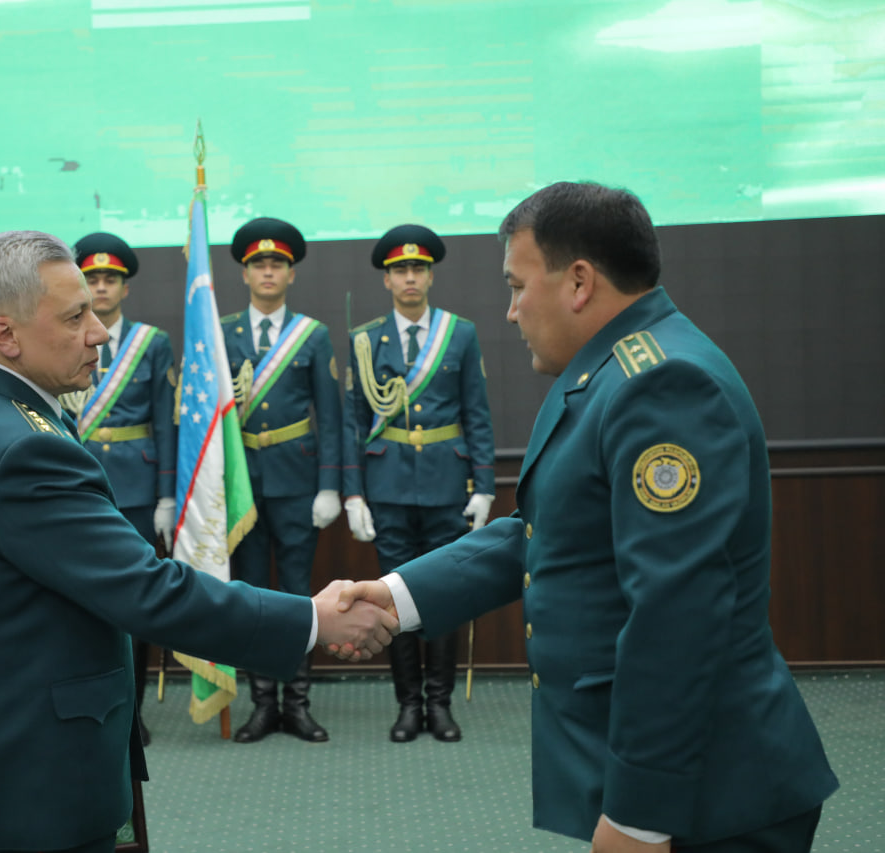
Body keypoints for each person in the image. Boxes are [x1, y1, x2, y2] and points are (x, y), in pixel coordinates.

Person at [335, 182, 838, 852]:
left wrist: (638, 814)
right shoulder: (607, 374)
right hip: (678, 776)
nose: (511, 311)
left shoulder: (661, 385)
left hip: (711, 794)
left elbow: (677, 613)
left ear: (578, 282)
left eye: (518, 286)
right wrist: (399, 597)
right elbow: (542, 532)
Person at [0, 230, 398, 853]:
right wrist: (312, 620)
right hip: (33, 781)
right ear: (6, 335)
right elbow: (149, 592)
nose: (99, 333)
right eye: (75, 317)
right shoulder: (25, 447)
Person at [341, 224, 496, 743]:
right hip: (386, 486)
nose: (410, 277)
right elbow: (353, 422)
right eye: (400, 270)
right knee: (393, 597)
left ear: (430, 277)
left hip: (447, 484)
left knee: (444, 595)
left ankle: (440, 704)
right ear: (386, 280)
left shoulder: (460, 333)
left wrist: (484, 486)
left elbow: (477, 413)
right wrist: (354, 493)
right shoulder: (366, 340)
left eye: (418, 269)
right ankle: (408, 704)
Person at [220, 217, 343, 743]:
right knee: (250, 596)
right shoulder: (221, 333)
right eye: (258, 264)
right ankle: (262, 704)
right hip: (242, 484)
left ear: (291, 274)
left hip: (297, 481)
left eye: (277, 264)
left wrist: (330, 485)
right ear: (245, 274)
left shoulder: (312, 335)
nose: (267, 272)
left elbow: (331, 416)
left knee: (296, 596)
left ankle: (297, 704)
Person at [66, 231, 176, 746]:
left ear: (125, 287)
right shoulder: (61, 338)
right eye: (92, 278)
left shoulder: (152, 343)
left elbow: (166, 423)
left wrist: (167, 495)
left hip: (137, 488)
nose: (102, 287)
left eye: (111, 279)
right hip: (76, 482)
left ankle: (132, 712)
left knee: (135, 600)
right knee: (80, 602)